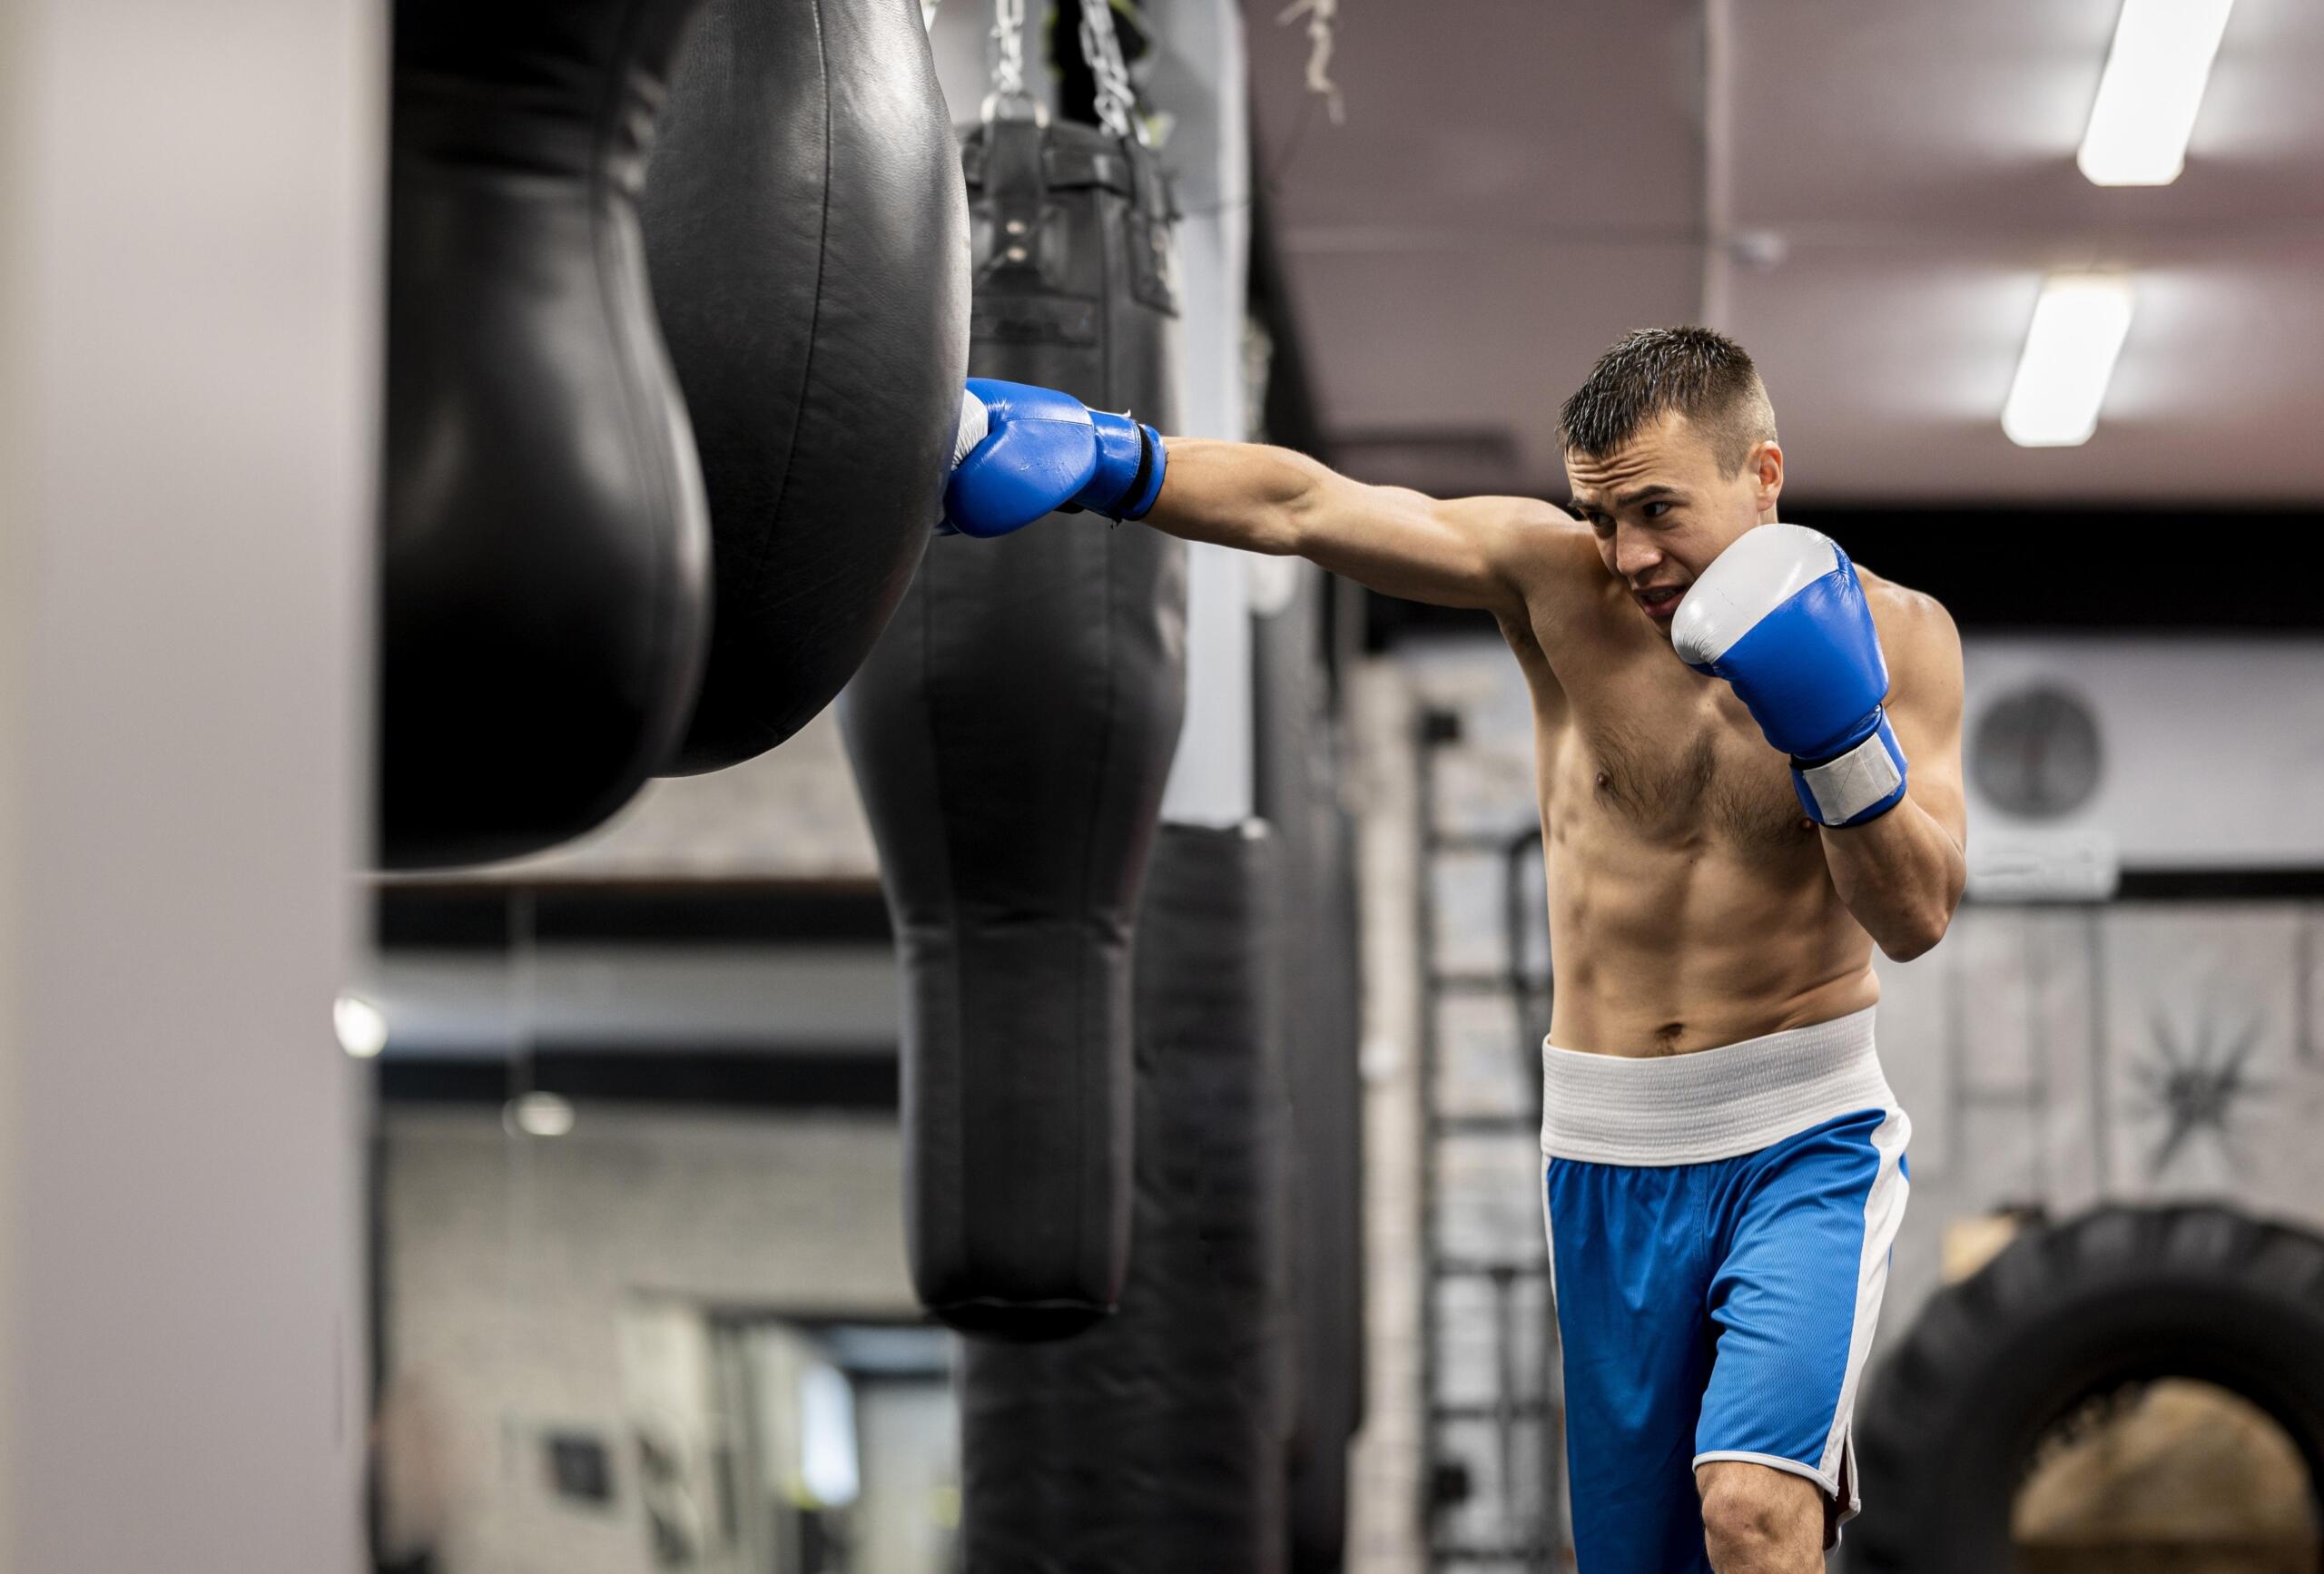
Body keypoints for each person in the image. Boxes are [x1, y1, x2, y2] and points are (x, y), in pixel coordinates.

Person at [940, 325, 1967, 1574]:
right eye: (1601, 516)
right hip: (1608, 1147)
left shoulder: (1903, 638)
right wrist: (1117, 461)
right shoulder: (1557, 584)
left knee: (1751, 1511)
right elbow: (1306, 506)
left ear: (1763, 473)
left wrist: (1838, 740)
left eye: (1657, 510)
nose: (1630, 555)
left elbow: (1915, 916)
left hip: (1801, 1130)